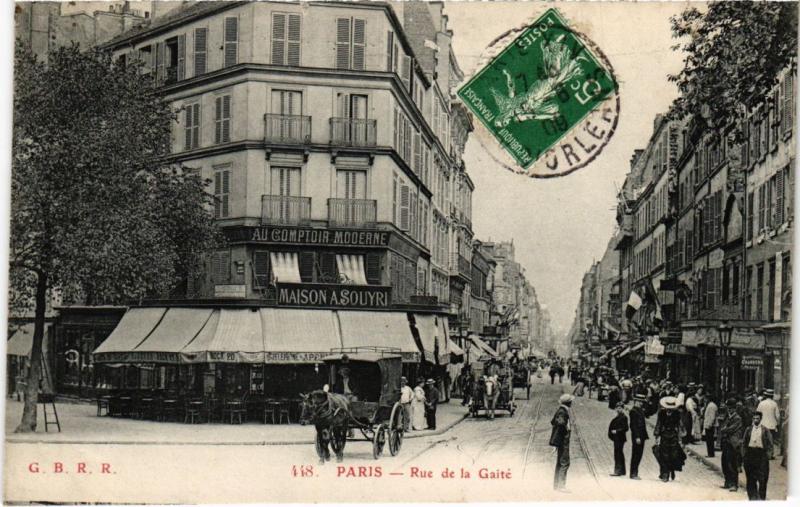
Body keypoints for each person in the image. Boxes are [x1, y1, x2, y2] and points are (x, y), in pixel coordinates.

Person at [653, 396, 687, 482]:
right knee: (664, 455)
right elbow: (659, 424)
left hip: (673, 436)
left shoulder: (677, 414)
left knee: (673, 455)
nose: (669, 409)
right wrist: (657, 437)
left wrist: (681, 439)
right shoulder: (661, 413)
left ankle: (671, 469)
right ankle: (665, 474)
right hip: (664, 435)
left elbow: (680, 426)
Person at [742, 411, 773, 500]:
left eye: (757, 418)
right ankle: (752, 498)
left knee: (762, 479)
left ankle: (761, 499)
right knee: (750, 478)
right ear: (752, 419)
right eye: (754, 418)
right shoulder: (748, 429)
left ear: (761, 419)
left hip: (761, 455)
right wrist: (744, 455)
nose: (756, 420)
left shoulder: (765, 430)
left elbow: (770, 444)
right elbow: (744, 443)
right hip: (750, 454)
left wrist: (768, 456)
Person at [549, 394, 573, 492]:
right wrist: (556, 444)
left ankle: (556, 485)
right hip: (563, 441)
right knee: (565, 463)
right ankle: (561, 486)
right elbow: (559, 426)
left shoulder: (561, 411)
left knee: (560, 463)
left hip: (561, 441)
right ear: (568, 402)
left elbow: (553, 422)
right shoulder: (563, 412)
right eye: (571, 401)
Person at [720, 398, 744, 492]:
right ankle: (727, 482)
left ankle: (734, 484)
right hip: (726, 442)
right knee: (725, 463)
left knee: (732, 464)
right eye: (729, 408)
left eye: (732, 408)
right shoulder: (728, 417)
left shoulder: (737, 418)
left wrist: (724, 429)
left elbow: (730, 429)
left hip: (733, 444)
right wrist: (724, 429)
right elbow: (723, 427)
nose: (730, 410)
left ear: (735, 408)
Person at [755, 389, 780, 459]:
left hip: (762, 424)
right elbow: (777, 416)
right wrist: (777, 424)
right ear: (772, 396)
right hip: (772, 425)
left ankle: (761, 453)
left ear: (765, 395)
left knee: (762, 439)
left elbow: (757, 413)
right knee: (770, 440)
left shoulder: (761, 403)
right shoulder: (774, 404)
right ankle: (770, 454)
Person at [629, 394, 648, 480]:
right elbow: (633, 425)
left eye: (642, 402)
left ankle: (635, 472)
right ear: (635, 401)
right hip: (637, 436)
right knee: (636, 454)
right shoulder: (633, 411)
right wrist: (637, 437)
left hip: (642, 436)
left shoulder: (640, 410)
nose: (641, 403)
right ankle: (633, 473)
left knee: (639, 454)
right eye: (639, 401)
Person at [608, 402, 629, 476]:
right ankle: (622, 470)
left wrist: (616, 431)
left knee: (618, 453)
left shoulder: (624, 417)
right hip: (618, 438)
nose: (618, 409)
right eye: (617, 408)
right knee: (619, 453)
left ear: (623, 409)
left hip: (620, 438)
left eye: (620, 408)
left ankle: (617, 471)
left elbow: (626, 428)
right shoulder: (618, 416)